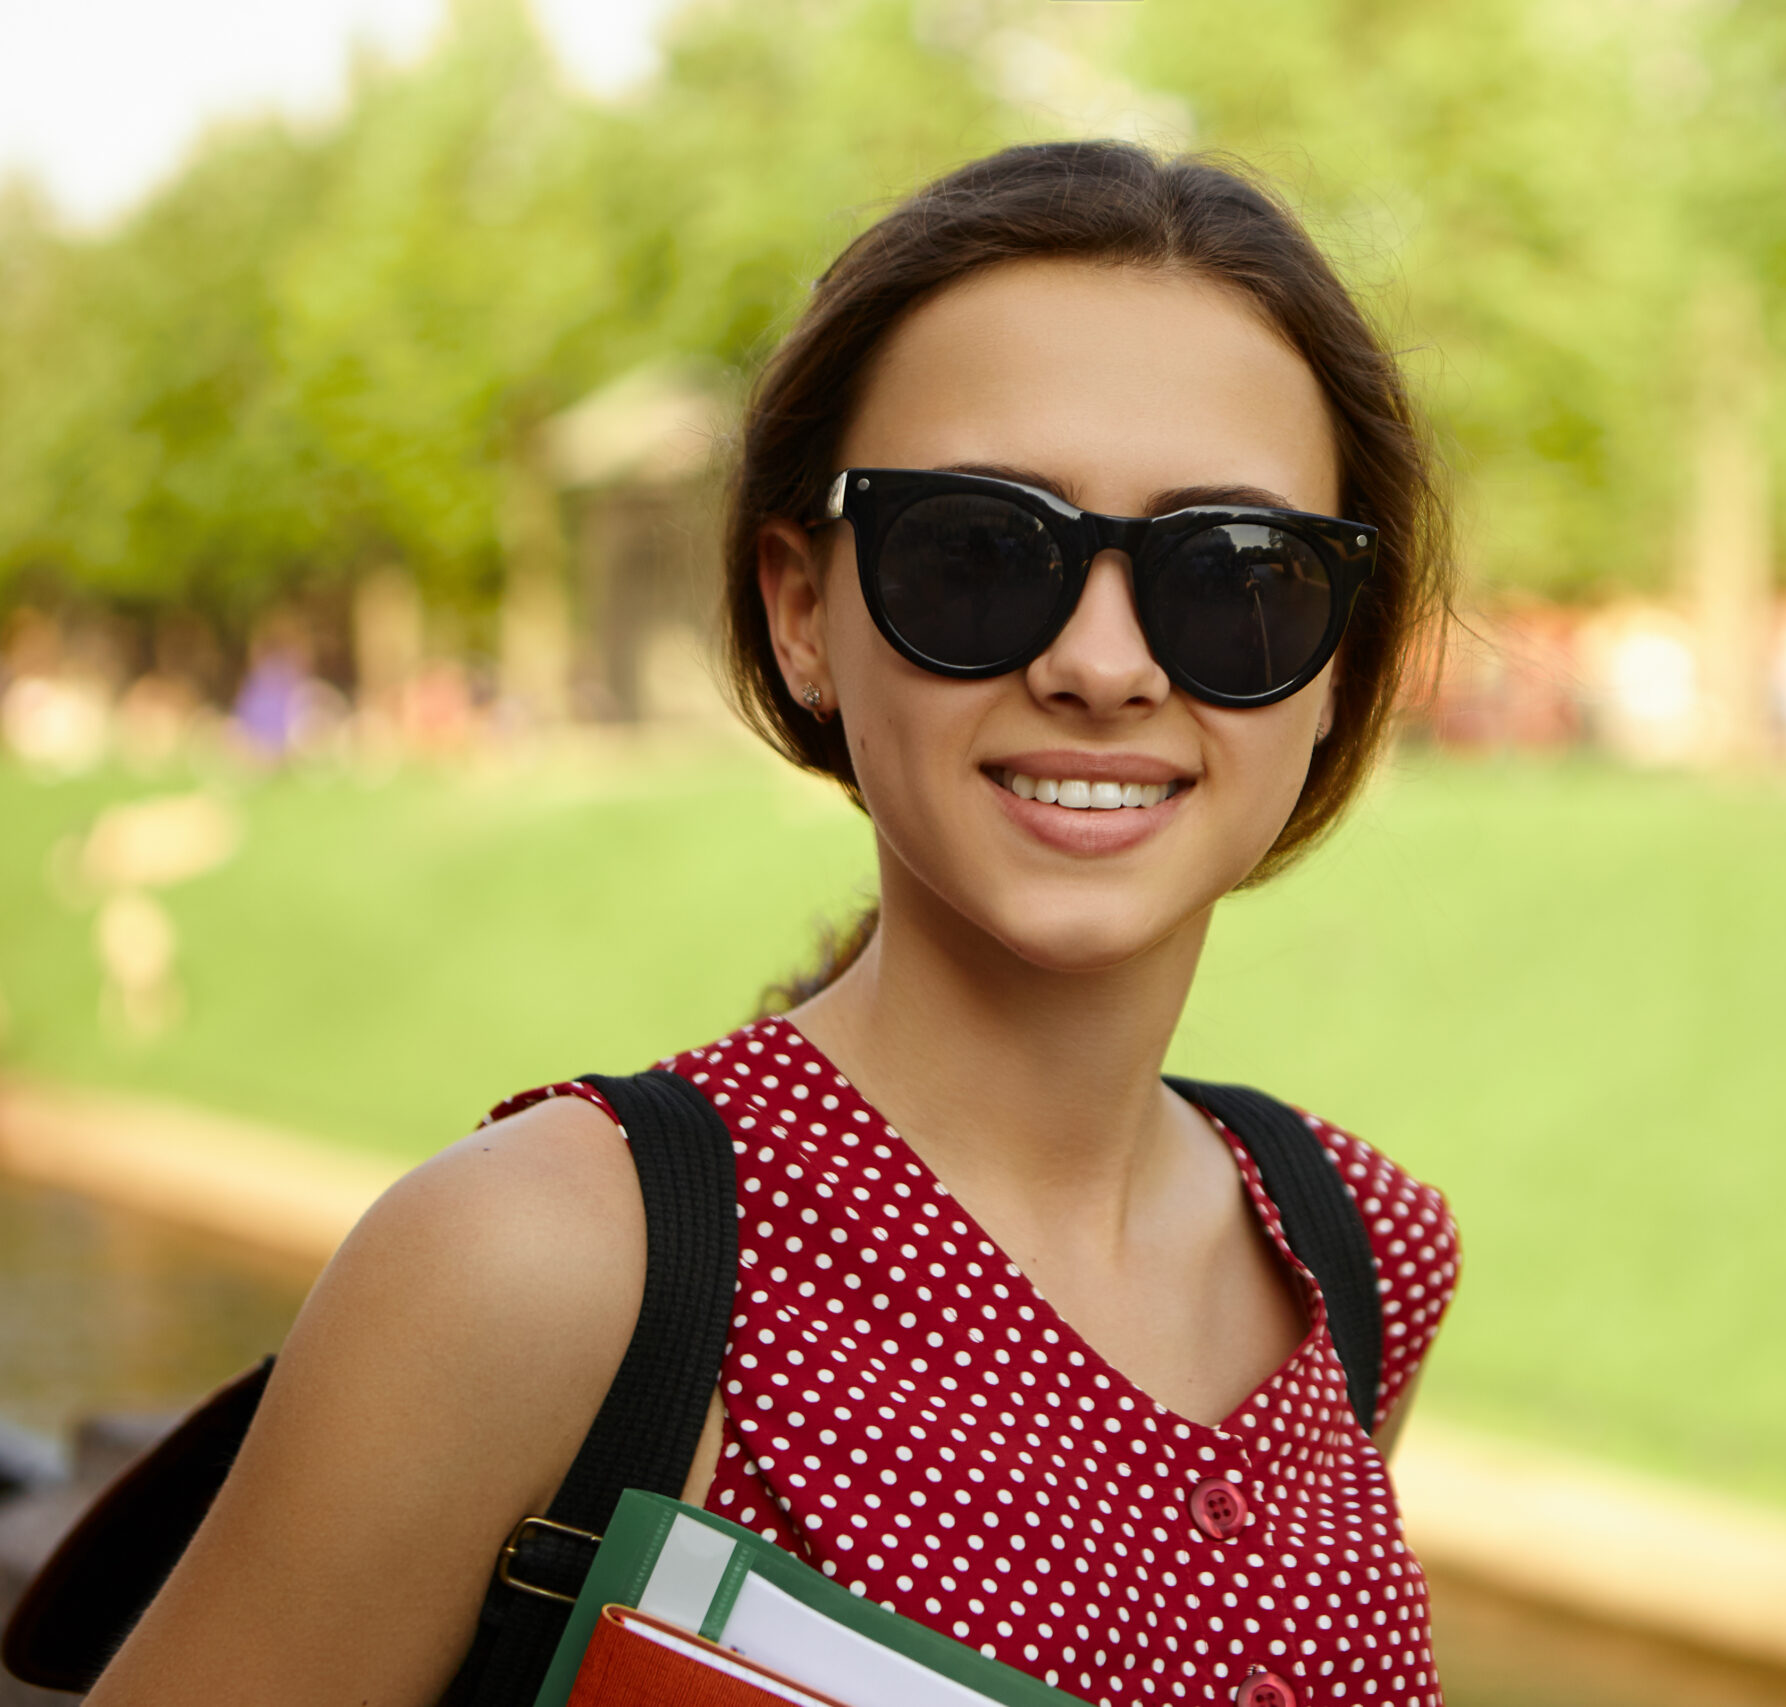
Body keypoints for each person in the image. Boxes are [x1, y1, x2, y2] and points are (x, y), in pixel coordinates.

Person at [88, 141, 1461, 1707]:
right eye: (977, 551)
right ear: (803, 609)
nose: (1105, 661)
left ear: (1341, 655)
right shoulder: (541, 1261)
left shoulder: (1356, 1251)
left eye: (1236, 574)